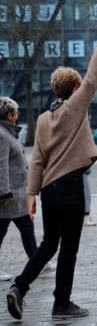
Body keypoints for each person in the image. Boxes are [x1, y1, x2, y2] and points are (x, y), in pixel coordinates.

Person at [6, 11, 97, 320]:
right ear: (75, 90)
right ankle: (61, 304)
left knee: (48, 243)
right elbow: (93, 78)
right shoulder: (74, 108)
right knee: (69, 248)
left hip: (50, 191)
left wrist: (31, 195)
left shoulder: (43, 118)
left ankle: (19, 287)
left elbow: (37, 158)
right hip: (70, 186)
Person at [0, 98, 37, 281]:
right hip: (10, 196)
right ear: (9, 115)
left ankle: (37, 260)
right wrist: (4, 192)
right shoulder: (2, 135)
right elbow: (1, 165)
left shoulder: (7, 133)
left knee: (27, 228)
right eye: (16, 112)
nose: (18, 114)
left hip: (17, 195)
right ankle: (37, 260)